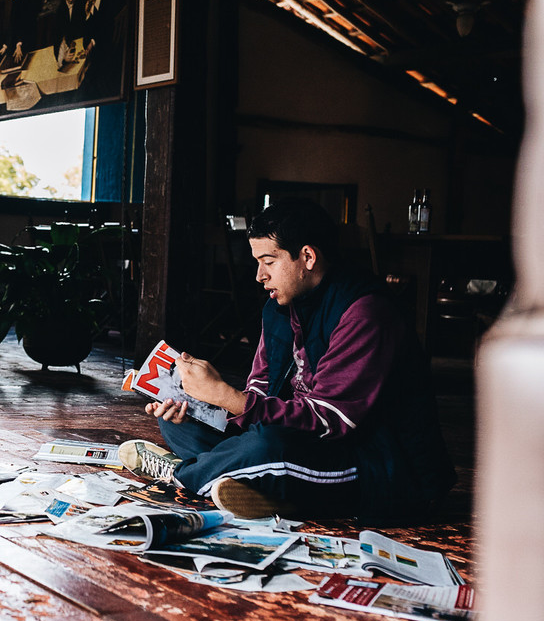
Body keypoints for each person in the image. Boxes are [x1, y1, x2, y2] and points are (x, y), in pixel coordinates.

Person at [119, 198, 456, 522]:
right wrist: (203, 404)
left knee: (266, 447)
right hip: (302, 440)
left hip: (376, 463)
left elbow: (329, 421)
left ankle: (182, 474)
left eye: (269, 261)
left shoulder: (365, 312)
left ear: (307, 256)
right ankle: (252, 485)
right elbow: (260, 393)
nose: (259, 276)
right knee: (181, 422)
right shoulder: (279, 306)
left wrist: (226, 395)